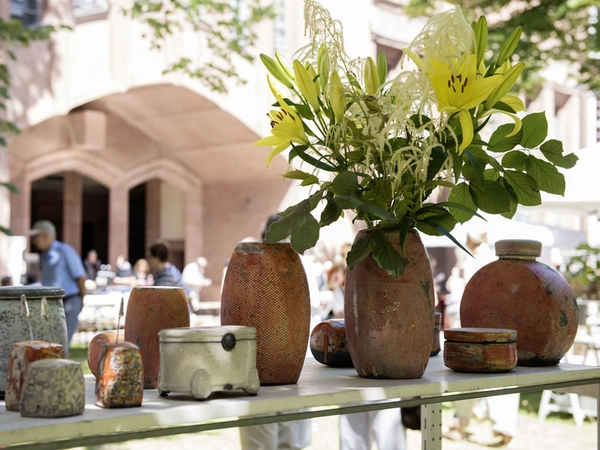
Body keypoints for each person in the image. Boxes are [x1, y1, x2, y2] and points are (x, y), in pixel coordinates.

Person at [444, 227, 519, 447]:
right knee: (496, 375)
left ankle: (477, 423)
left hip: (477, 327)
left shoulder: (476, 260)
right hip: (486, 326)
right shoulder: (486, 259)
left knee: (475, 375)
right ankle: (473, 422)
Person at [29, 220, 87, 345]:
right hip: (52, 303)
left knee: (63, 342)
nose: (34, 241)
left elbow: (80, 276)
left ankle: (64, 364)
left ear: (45, 236)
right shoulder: (44, 256)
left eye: (36, 237)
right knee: (50, 342)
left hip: (70, 300)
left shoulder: (65, 251)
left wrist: (82, 301)